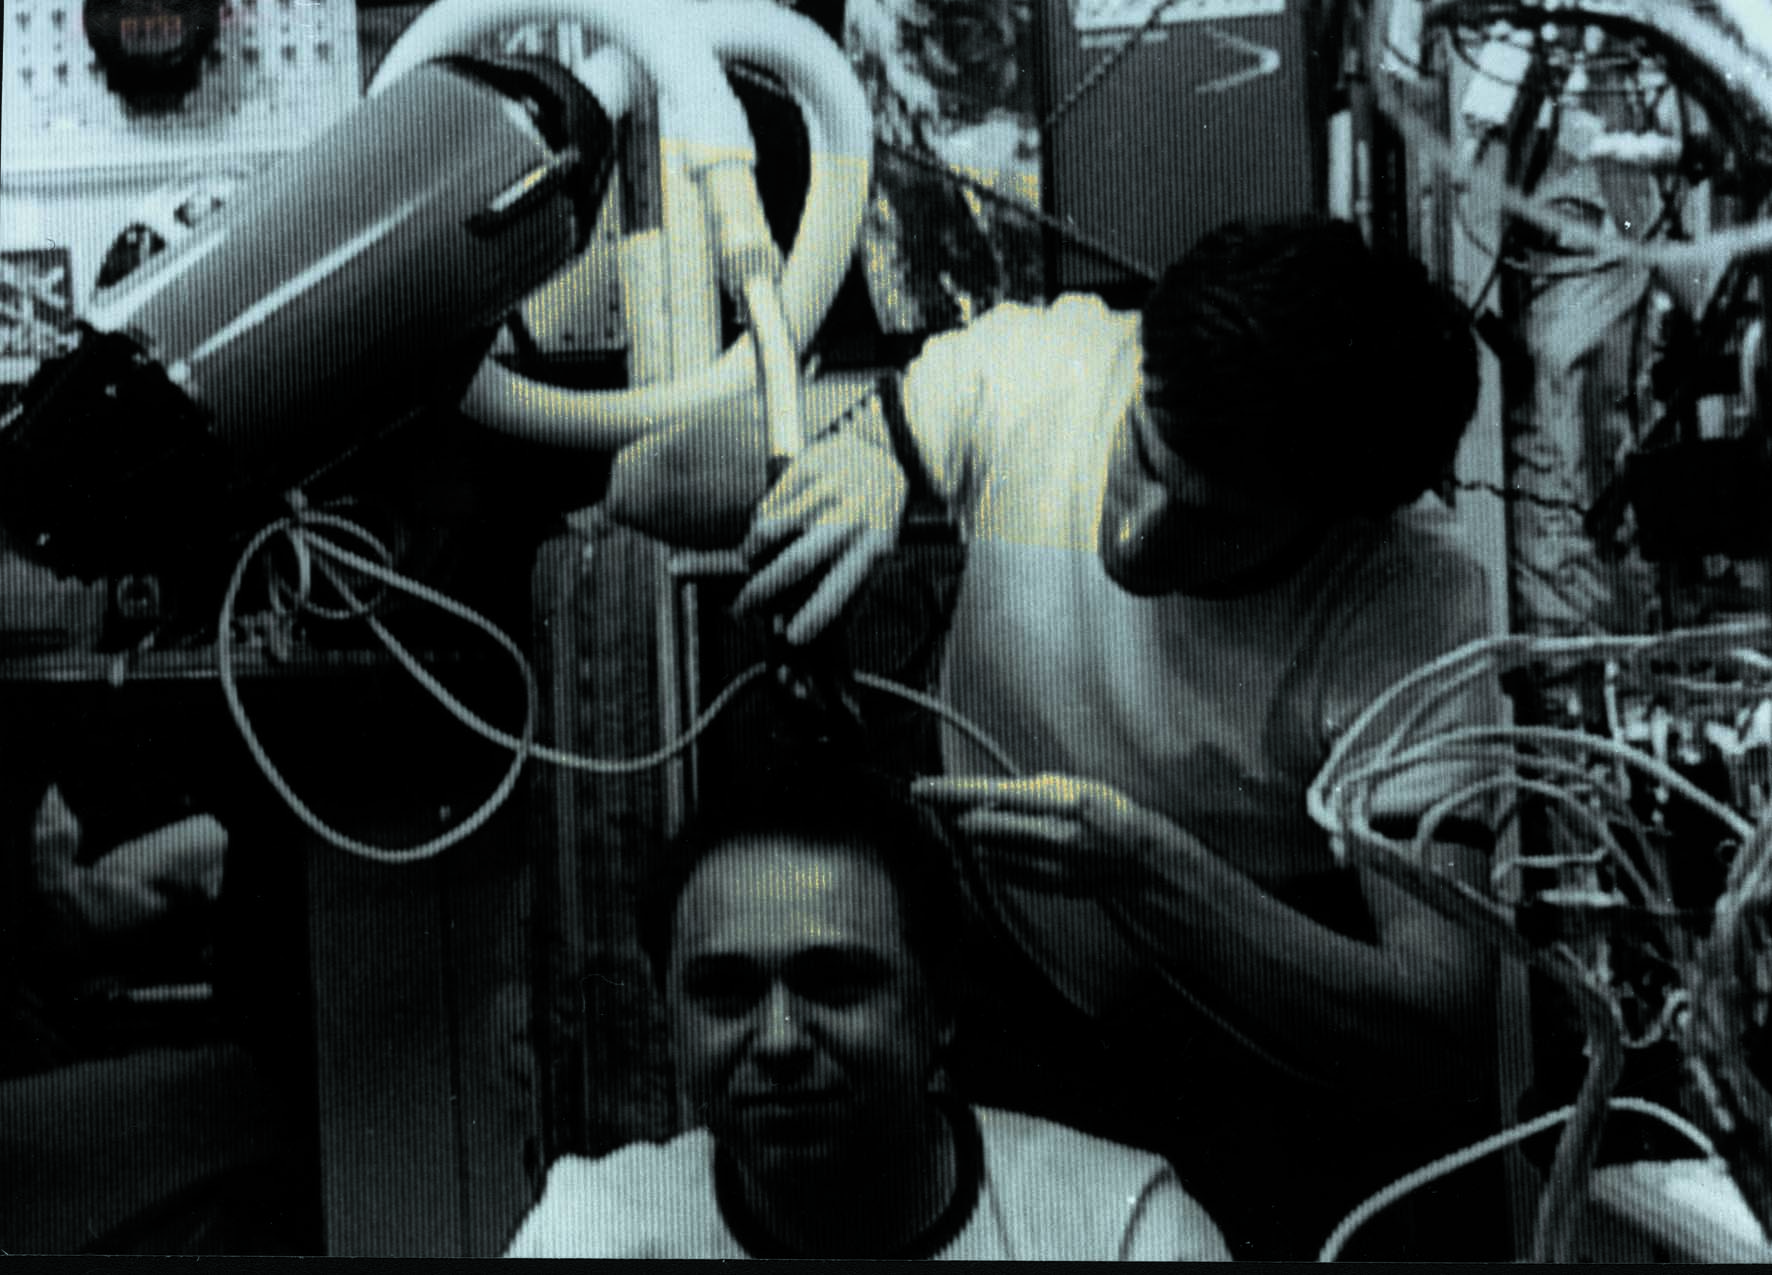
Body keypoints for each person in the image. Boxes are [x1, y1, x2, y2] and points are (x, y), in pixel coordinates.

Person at [733, 216, 1506, 1258]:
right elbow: (657, 484)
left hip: (1253, 1051)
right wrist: (863, 453)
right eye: (1142, 454)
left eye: (1216, 523)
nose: (1136, 539)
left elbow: (1442, 1026)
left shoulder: (1407, 603)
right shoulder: (1044, 366)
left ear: (1342, 519)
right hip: (1009, 986)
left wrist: (1148, 870)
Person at [503, 770, 1228, 1259]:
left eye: (835, 982)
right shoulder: (590, 1232)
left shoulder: (1118, 1230)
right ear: (670, 1018)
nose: (779, 1041)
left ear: (939, 1005)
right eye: (725, 991)